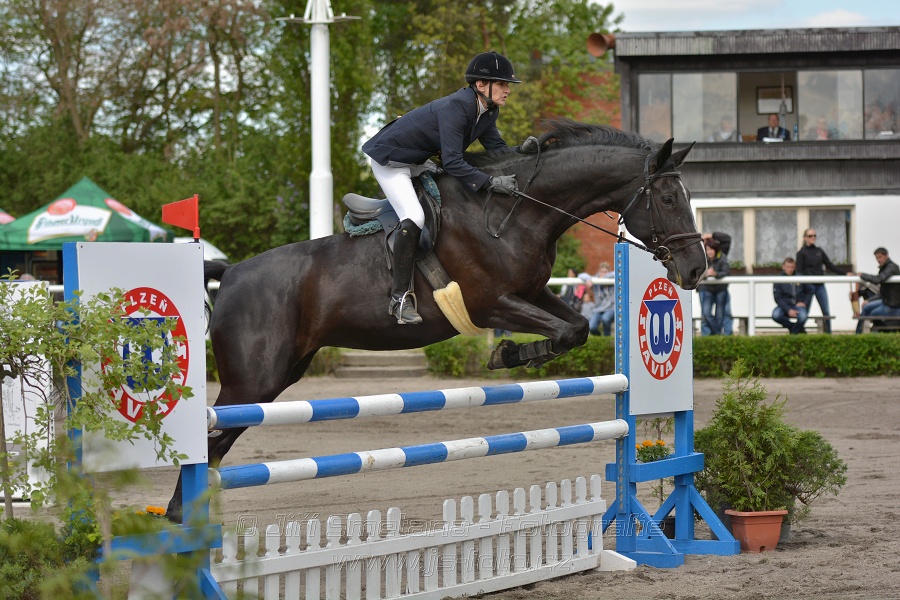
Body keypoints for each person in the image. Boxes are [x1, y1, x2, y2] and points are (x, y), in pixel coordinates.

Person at [363, 51, 538, 324]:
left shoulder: (488, 110)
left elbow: (497, 151)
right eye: (502, 84)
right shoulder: (457, 107)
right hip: (392, 162)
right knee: (415, 217)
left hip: (418, 161)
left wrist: (523, 153)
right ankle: (399, 300)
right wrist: (490, 182)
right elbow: (454, 162)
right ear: (481, 85)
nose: (507, 90)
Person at [796, 228, 847, 334]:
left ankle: (828, 334)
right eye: (810, 236)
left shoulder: (819, 251)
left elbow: (830, 265)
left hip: (820, 285)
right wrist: (799, 293)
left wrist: (845, 273)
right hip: (808, 287)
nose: (813, 238)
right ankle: (798, 332)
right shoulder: (801, 253)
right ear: (805, 238)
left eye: (814, 235)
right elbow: (799, 272)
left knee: (826, 311)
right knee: (804, 312)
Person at [850, 247, 900, 334]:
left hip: (893, 305)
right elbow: (882, 292)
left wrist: (862, 275)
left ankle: (877, 333)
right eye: (877, 258)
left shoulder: (891, 267)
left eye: (880, 257)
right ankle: (858, 334)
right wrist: (868, 300)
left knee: (872, 314)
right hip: (886, 301)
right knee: (866, 307)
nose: (878, 260)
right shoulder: (885, 267)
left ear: (886, 256)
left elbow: (878, 279)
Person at [698, 238, 730, 335]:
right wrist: (705, 274)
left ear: (715, 250)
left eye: (711, 249)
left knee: (720, 315)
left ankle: (716, 336)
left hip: (720, 289)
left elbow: (727, 272)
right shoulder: (701, 259)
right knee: (706, 313)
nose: (710, 252)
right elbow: (696, 273)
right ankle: (718, 334)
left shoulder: (722, 257)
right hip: (706, 289)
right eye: (707, 250)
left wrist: (715, 273)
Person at [772, 257, 809, 334]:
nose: (790, 269)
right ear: (783, 267)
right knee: (775, 315)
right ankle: (795, 328)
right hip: (784, 306)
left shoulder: (800, 277)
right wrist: (788, 309)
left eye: (792, 267)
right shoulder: (778, 279)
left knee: (803, 317)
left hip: (797, 305)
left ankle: (793, 334)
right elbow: (778, 298)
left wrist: (805, 302)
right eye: (788, 267)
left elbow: (810, 290)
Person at [589, 262, 616, 336]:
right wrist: (590, 279)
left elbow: (616, 273)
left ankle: (607, 337)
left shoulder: (612, 280)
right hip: (598, 309)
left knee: (605, 319)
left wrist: (603, 278)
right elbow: (582, 275)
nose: (604, 273)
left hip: (610, 308)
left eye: (605, 272)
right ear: (598, 272)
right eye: (602, 272)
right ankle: (600, 338)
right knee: (591, 327)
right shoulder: (595, 280)